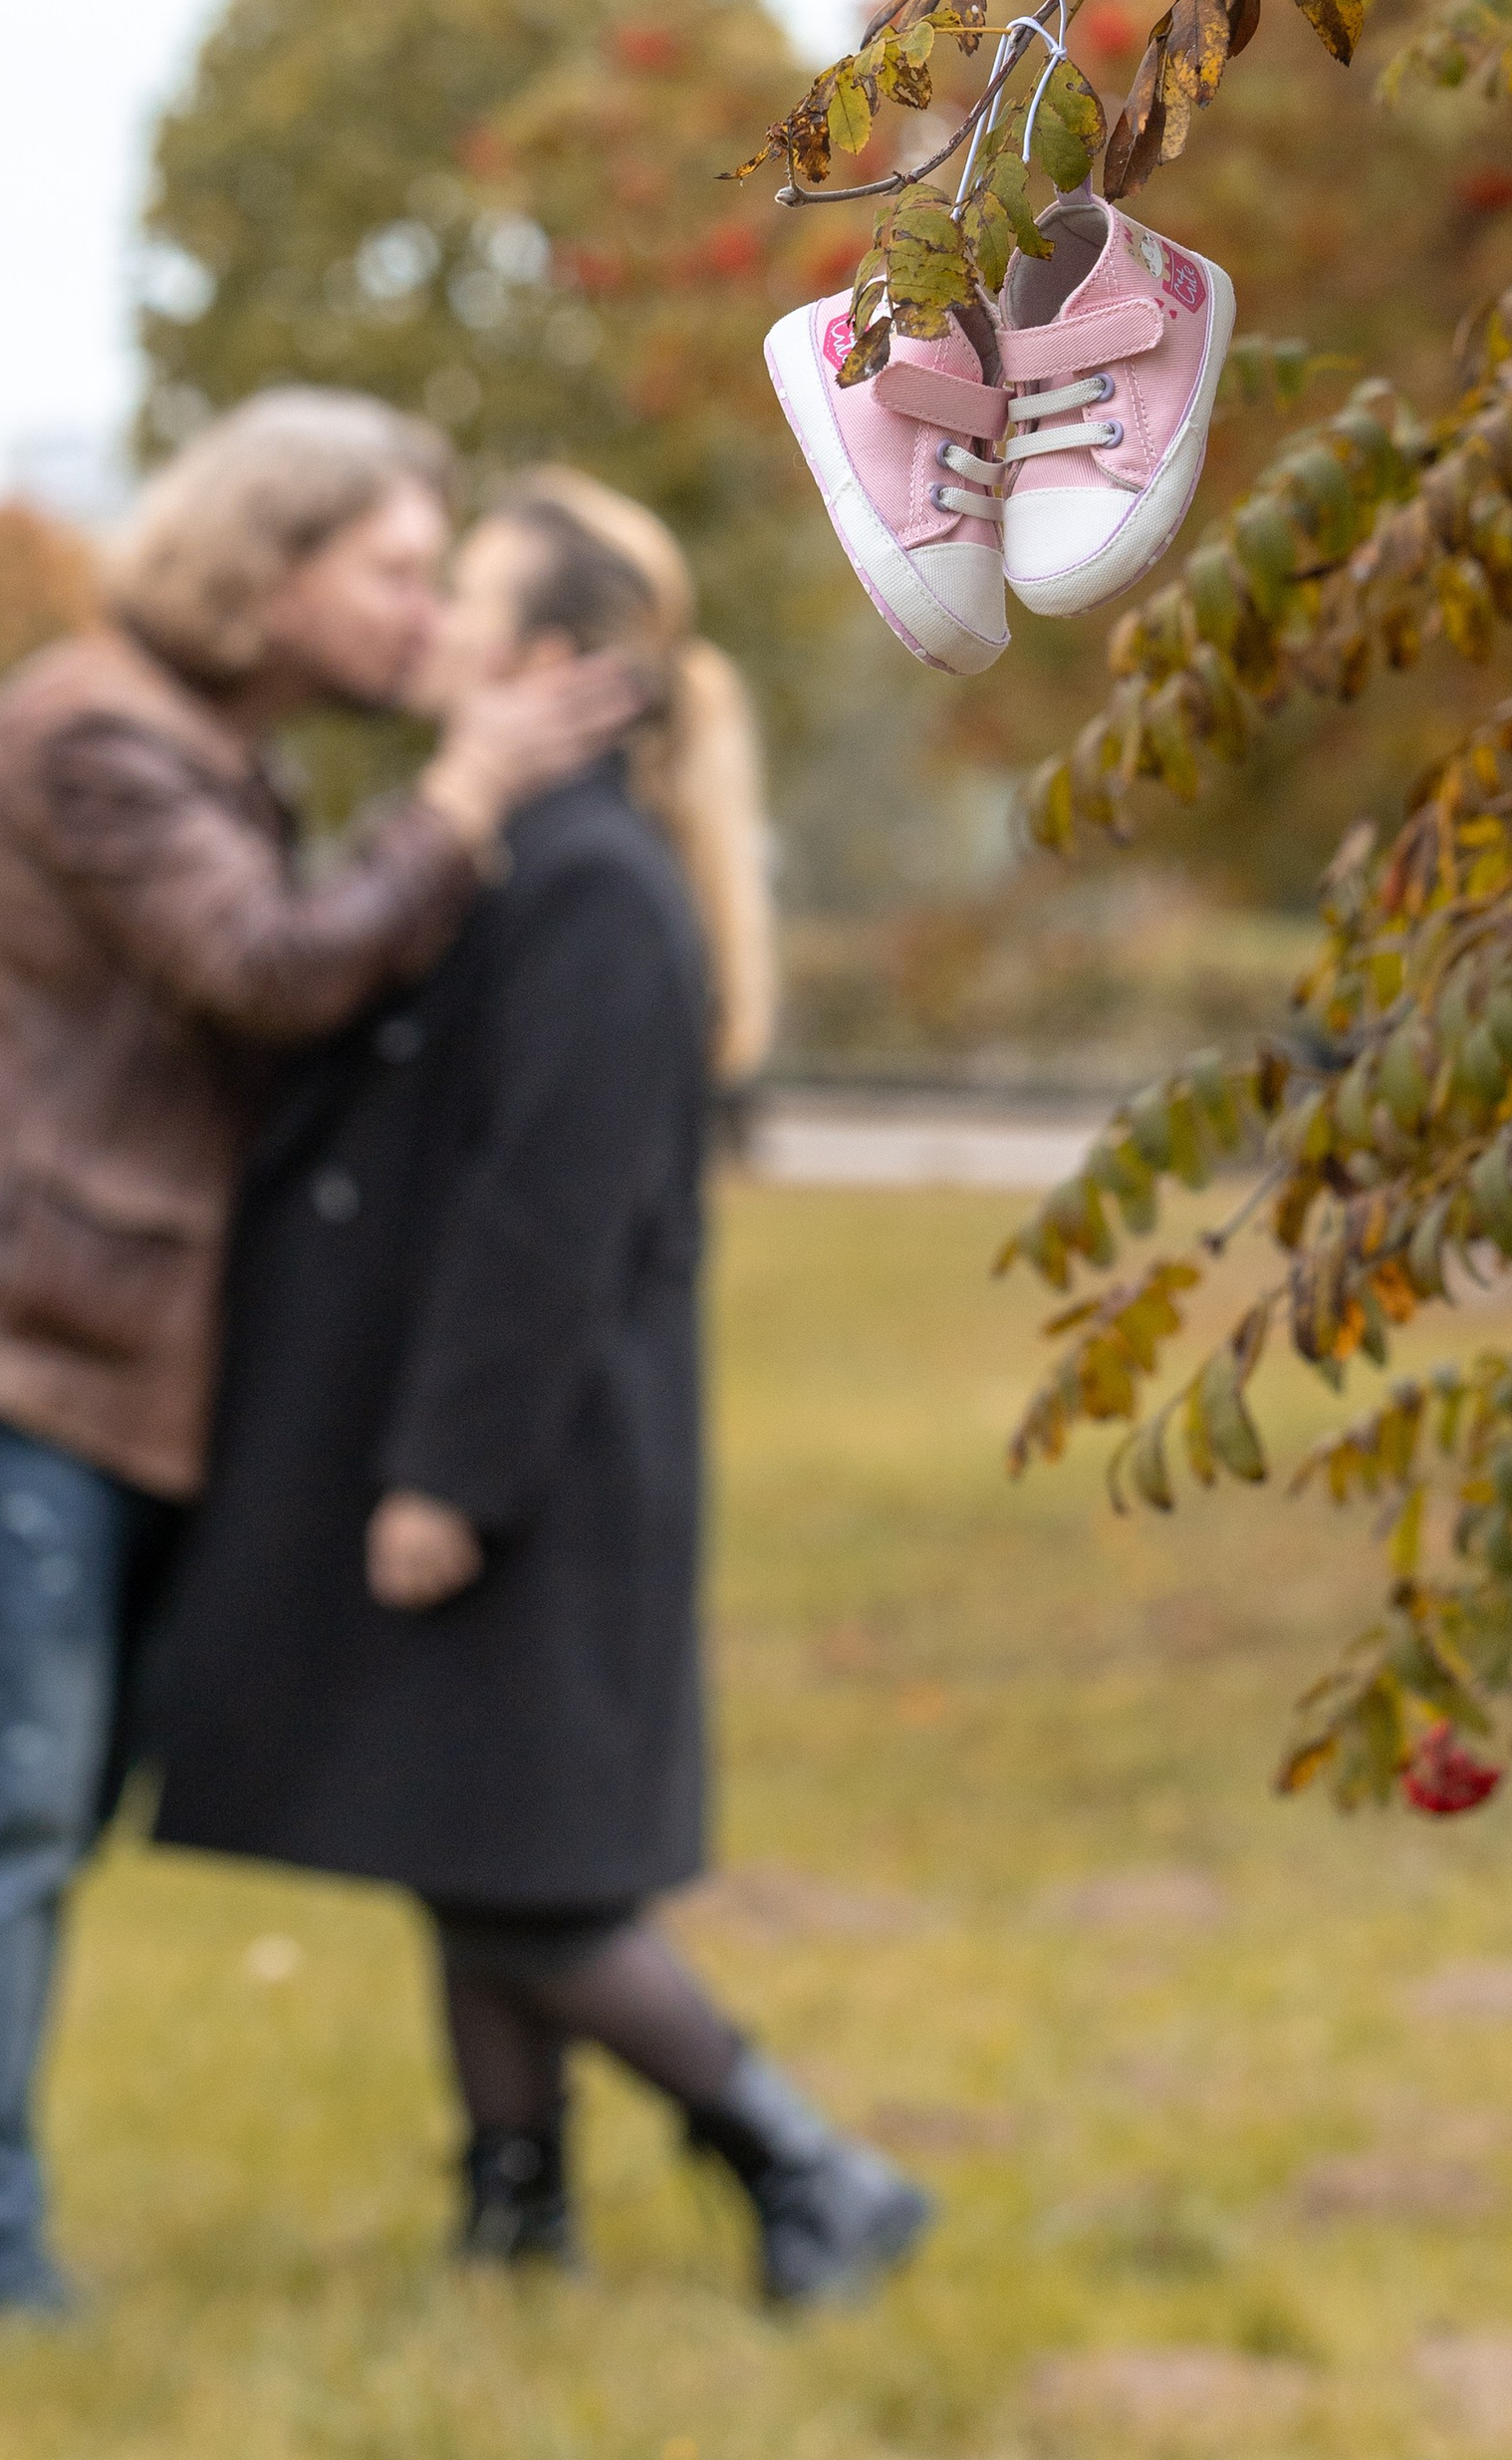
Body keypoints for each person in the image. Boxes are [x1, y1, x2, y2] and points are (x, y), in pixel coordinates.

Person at [0, 393, 637, 2328]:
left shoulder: (198, 746)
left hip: (77, 1335)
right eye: (392, 571)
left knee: (36, 1798)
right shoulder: (93, 735)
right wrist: (469, 792)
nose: (425, 618)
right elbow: (264, 970)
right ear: (270, 565)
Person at [152, 471, 935, 2308]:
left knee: (522, 1870)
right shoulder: (529, 859)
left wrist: (449, 1476)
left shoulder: (588, 888)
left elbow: (546, 1223)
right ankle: (516, 2218)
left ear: (552, 659)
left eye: (462, 599)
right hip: (508, 1446)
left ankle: (804, 2161)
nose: (423, 628)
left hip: (541, 1462)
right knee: (462, 1826)